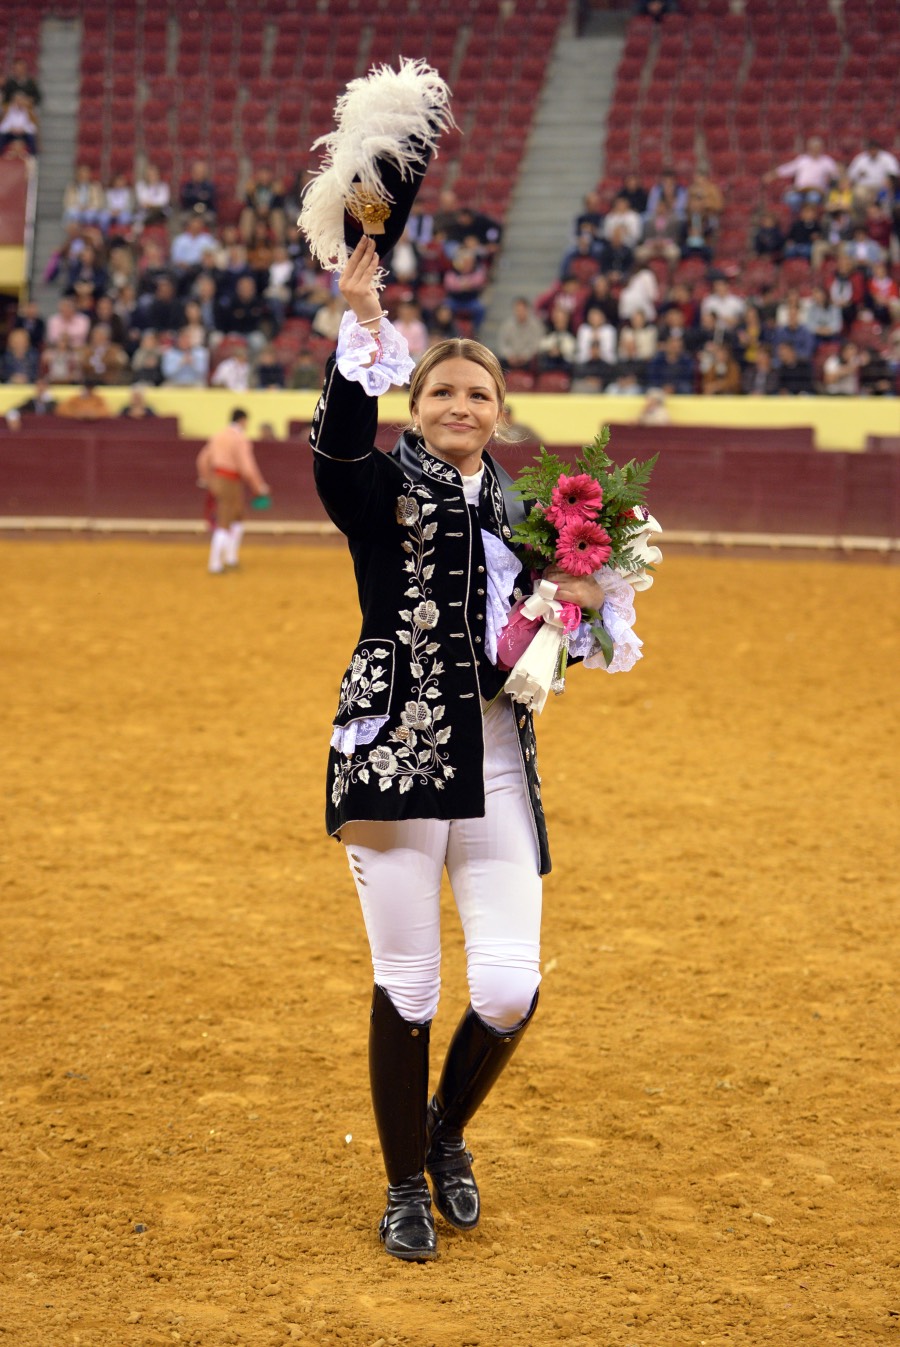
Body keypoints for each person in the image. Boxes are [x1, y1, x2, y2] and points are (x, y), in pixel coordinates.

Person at [311, 236, 620, 1263]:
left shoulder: (520, 509)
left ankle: (444, 1134)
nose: (459, 406)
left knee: (506, 988)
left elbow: (552, 623)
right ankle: (403, 1183)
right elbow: (337, 449)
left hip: (493, 757)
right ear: (415, 403)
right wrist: (359, 326)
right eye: (441, 390)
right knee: (409, 981)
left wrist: (577, 608)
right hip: (396, 753)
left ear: (499, 410)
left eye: (477, 394)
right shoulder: (377, 486)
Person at [195, 408, 270, 574]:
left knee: (237, 517)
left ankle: (230, 558)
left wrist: (207, 480)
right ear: (242, 421)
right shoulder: (239, 439)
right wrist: (259, 486)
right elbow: (247, 467)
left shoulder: (218, 436)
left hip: (218, 479)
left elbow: (202, 459)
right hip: (231, 481)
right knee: (226, 520)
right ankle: (214, 564)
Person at [0, 91, 38, 156]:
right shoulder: (7, 110)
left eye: (21, 100)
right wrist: (11, 129)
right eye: (17, 100)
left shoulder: (29, 111)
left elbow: (33, 127)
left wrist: (24, 129)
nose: (19, 103)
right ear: (14, 101)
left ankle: (33, 156)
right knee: (2, 137)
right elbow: (2, 126)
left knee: (31, 138)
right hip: (10, 133)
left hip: (23, 134)